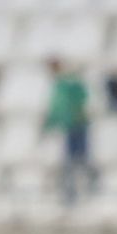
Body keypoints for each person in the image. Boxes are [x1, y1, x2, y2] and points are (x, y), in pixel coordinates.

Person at [43, 57, 94, 204]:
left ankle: (82, 191)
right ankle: (71, 195)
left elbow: (78, 99)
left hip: (77, 125)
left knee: (79, 159)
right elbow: (58, 107)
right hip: (71, 125)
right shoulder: (61, 84)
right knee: (72, 161)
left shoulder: (68, 82)